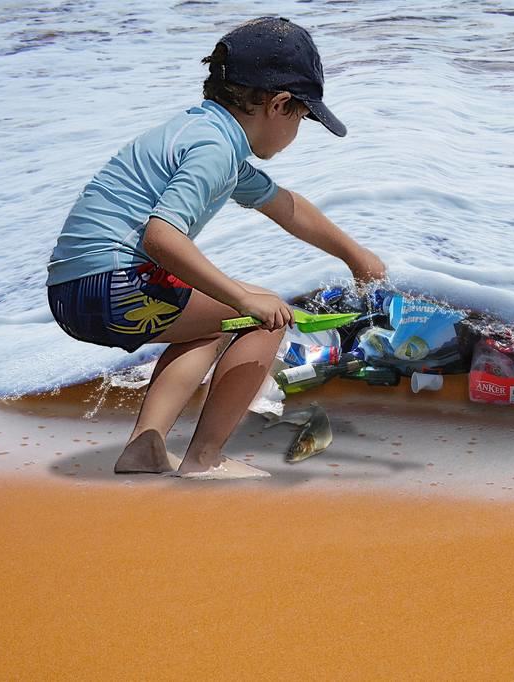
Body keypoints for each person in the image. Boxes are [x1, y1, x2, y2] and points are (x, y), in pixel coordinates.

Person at [46, 16, 386, 479]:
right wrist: (245, 300)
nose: (298, 131)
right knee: (266, 316)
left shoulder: (201, 133)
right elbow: (161, 238)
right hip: (117, 285)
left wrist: (354, 255)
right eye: (303, 118)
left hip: (72, 292)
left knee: (210, 325)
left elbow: (285, 206)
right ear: (280, 104)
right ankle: (205, 459)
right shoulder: (215, 150)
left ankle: (145, 448)